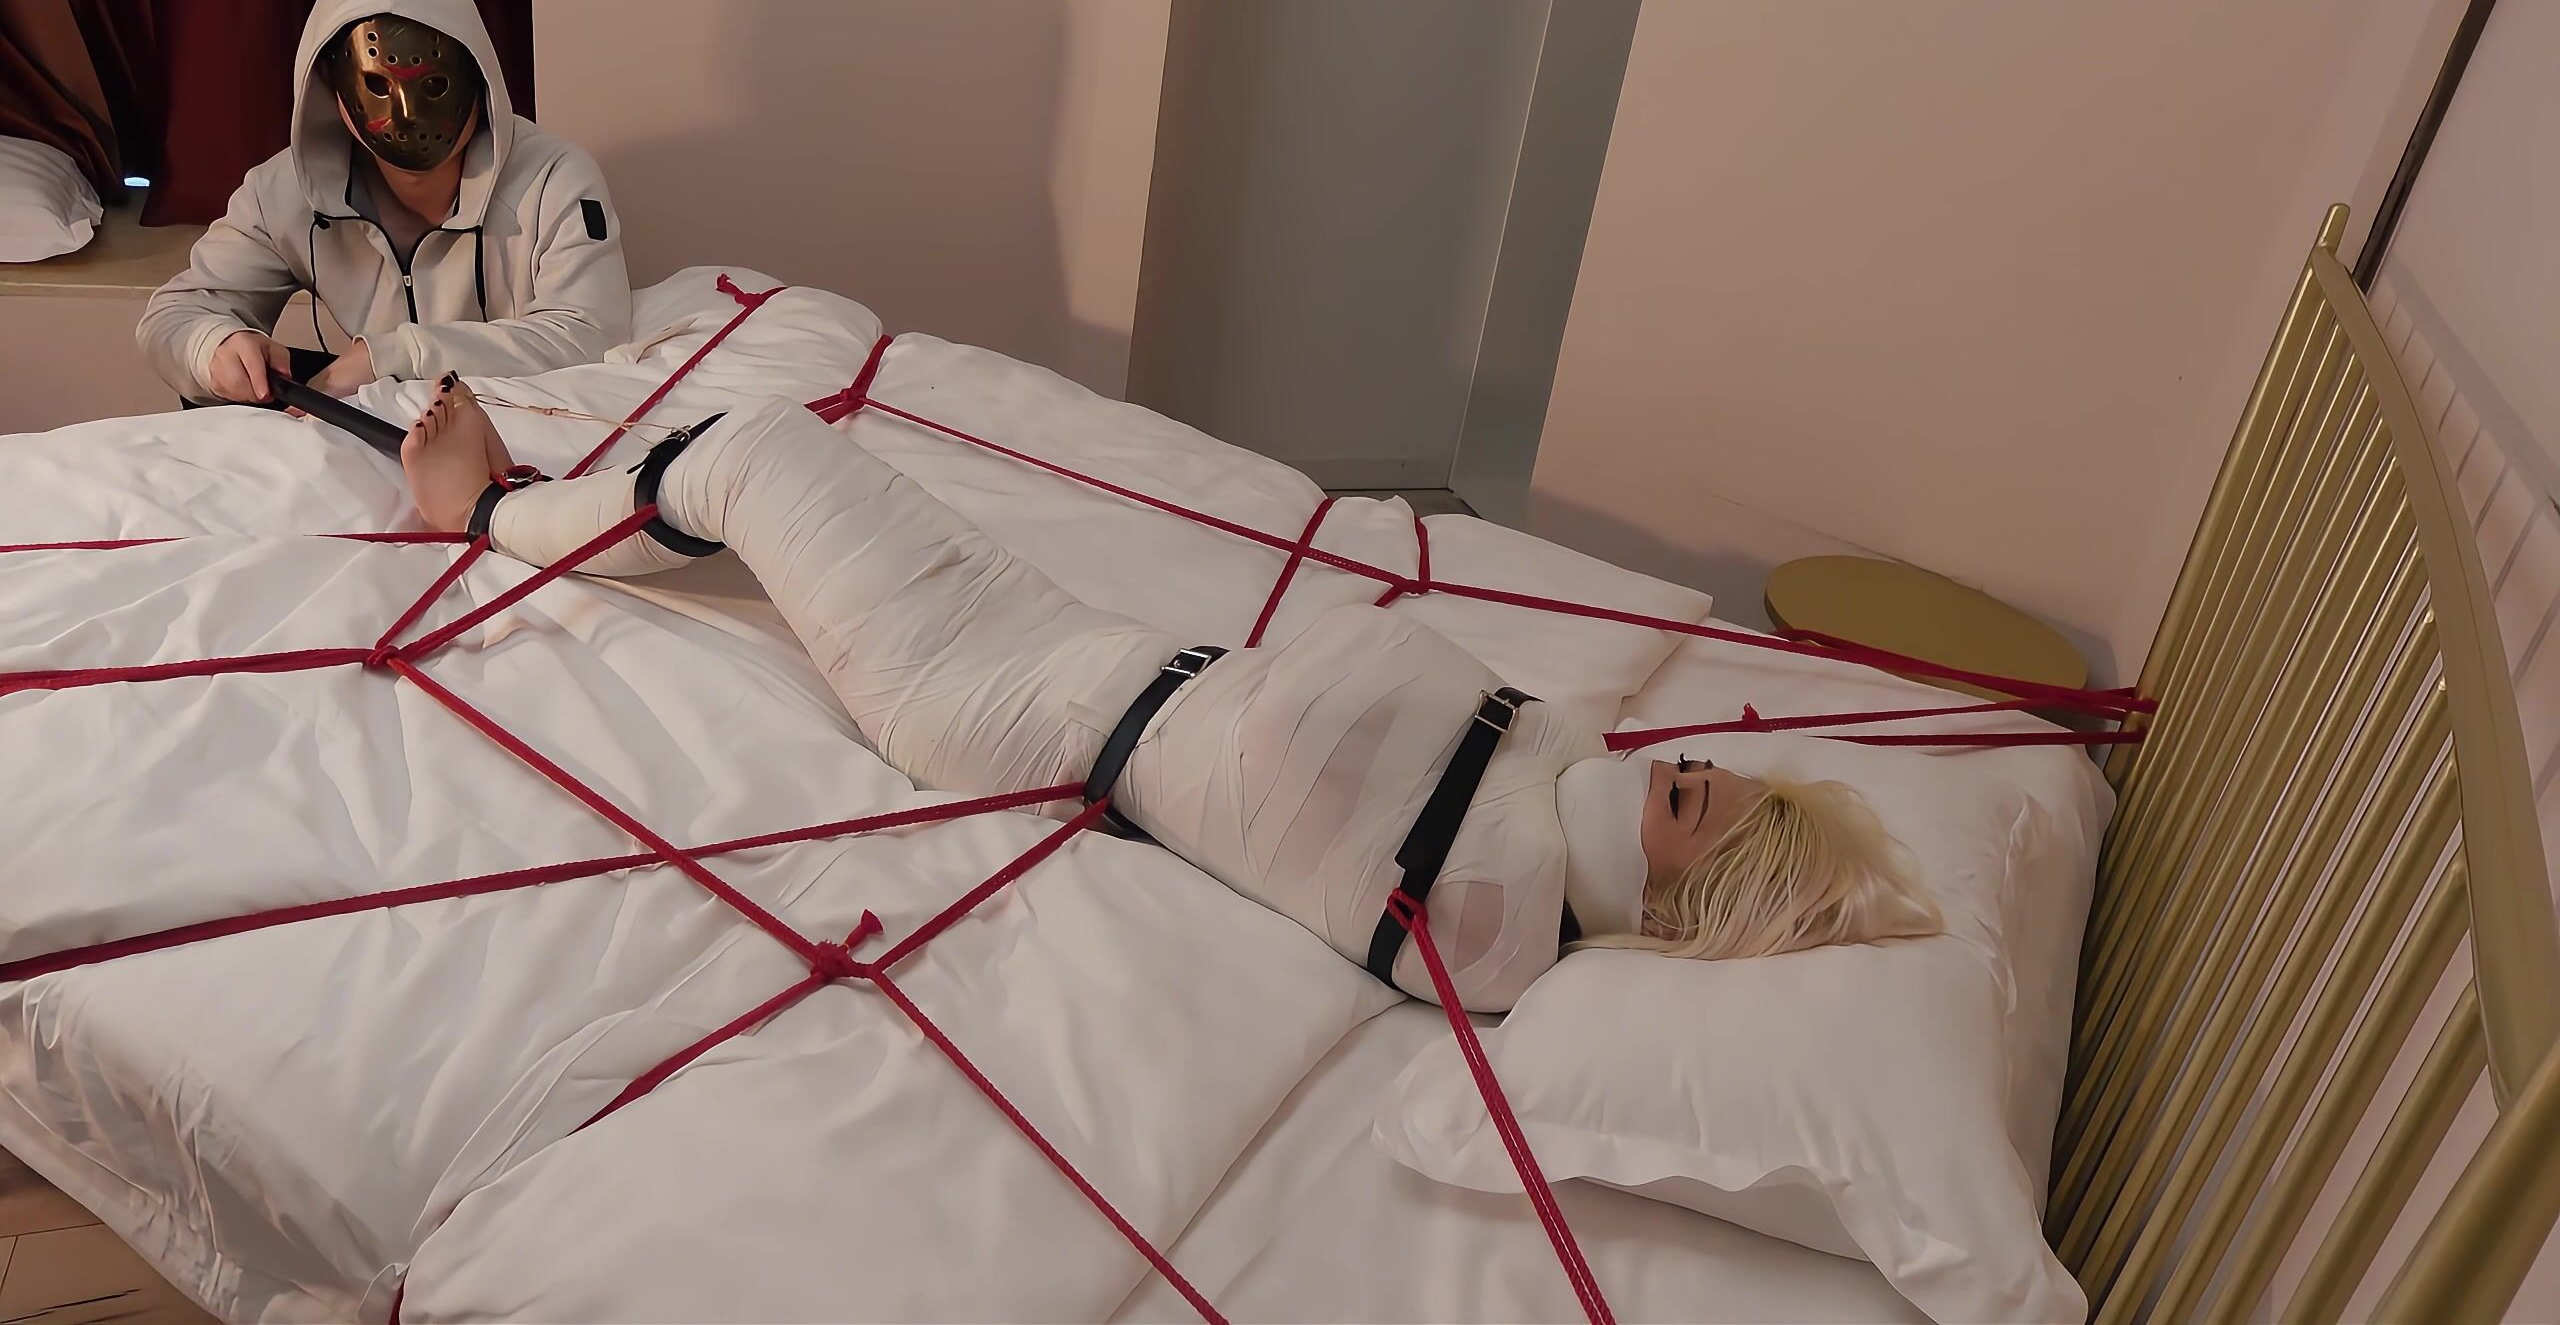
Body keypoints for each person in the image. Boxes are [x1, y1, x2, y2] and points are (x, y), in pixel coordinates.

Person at [399, 383, 1942, 1010]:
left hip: (984, 704)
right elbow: (1464, 707)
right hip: (1087, 647)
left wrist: (1557, 771)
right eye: (1712, 780)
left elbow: (1336, 688)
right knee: (776, 463)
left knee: (753, 450)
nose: (1696, 774)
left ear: (1686, 901)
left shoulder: (1498, 924)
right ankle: (572, 493)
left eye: (1709, 814)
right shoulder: (1541, 806)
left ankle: (482, 511)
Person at [138, 0, 629, 408]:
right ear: (333, 88)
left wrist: (392, 356)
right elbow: (176, 312)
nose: (408, 115)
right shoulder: (284, 192)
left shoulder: (554, 180)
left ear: (478, 76)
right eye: (377, 86)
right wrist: (214, 346)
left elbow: (589, 333)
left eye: (434, 85)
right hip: (378, 414)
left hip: (514, 415)